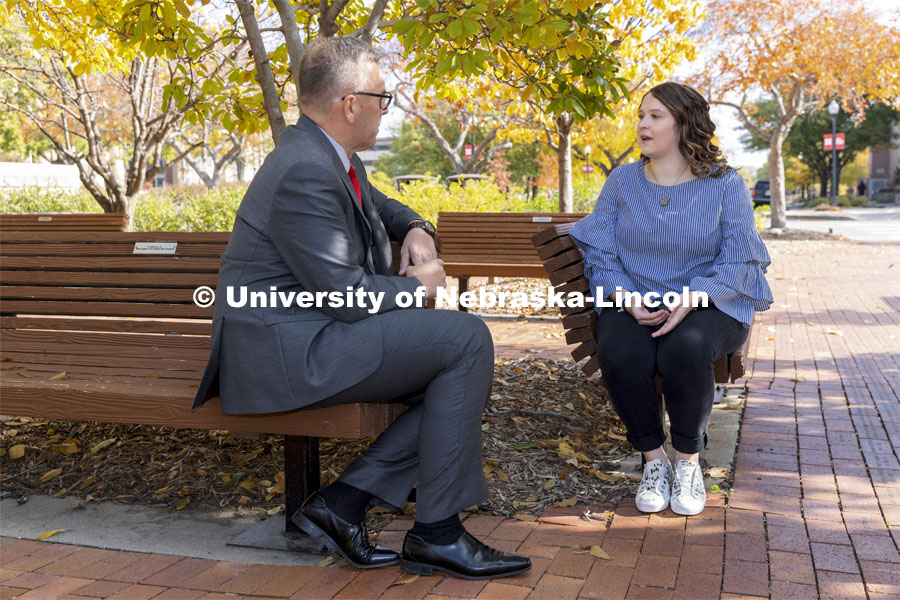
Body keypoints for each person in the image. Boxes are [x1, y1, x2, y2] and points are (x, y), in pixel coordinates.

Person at [192, 37, 530, 579]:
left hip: (307, 330)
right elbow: (347, 298)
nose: (384, 107)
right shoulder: (305, 169)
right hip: (286, 347)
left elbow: (379, 204)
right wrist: (420, 287)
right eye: (383, 97)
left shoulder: (327, 155)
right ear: (351, 104)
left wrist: (416, 228)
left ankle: (346, 505)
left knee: (453, 372)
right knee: (466, 340)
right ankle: (431, 532)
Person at [569, 82, 773, 516]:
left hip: (711, 301)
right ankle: (654, 462)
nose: (642, 124)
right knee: (620, 350)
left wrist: (693, 297)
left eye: (655, 116)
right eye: (641, 115)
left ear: (684, 124)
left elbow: (740, 259)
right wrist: (624, 297)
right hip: (636, 297)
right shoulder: (622, 181)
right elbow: (601, 253)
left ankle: (687, 463)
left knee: (687, 345)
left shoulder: (725, 185)